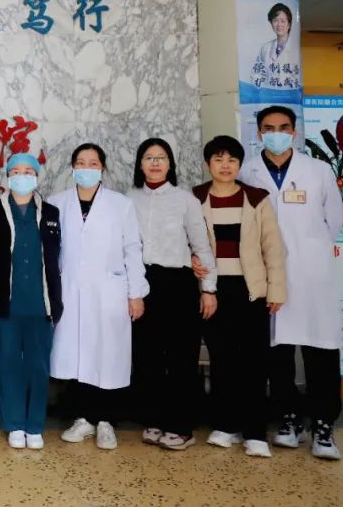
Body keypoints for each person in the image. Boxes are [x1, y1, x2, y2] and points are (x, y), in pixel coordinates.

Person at [239, 106, 343, 460]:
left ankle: (324, 425)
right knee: (277, 352)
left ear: (294, 132)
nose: (276, 134)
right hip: (270, 274)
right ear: (259, 133)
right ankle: (288, 419)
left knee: (321, 351)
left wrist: (308, 249)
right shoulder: (248, 172)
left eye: (283, 127)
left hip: (313, 274)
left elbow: (334, 221)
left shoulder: (318, 171)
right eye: (269, 128)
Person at [191, 135, 286, 458]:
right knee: (222, 360)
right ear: (208, 164)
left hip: (250, 290)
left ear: (240, 164)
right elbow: (185, 240)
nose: (225, 165)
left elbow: (273, 248)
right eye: (218, 159)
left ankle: (255, 432)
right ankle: (226, 425)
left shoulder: (256, 199)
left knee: (254, 362)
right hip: (212, 291)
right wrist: (191, 258)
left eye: (231, 160)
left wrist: (276, 290)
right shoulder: (196, 198)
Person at [49, 143, 147, 451]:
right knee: (78, 355)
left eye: (93, 163)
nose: (87, 168)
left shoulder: (121, 204)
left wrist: (136, 293)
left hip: (109, 292)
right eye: (81, 162)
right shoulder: (57, 203)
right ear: (72, 167)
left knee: (107, 355)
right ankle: (83, 419)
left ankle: (106, 421)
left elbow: (132, 249)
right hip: (71, 291)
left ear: (102, 167)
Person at [127, 138, 217, 451]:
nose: (155, 163)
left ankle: (181, 426)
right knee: (147, 356)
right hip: (142, 282)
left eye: (161, 157)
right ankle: (153, 418)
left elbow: (201, 246)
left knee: (180, 356)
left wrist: (209, 289)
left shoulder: (185, 200)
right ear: (140, 164)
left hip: (177, 283)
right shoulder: (129, 199)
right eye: (149, 157)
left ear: (170, 164)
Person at [0, 153, 62, 450]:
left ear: (37, 176)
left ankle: (35, 426)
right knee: (7, 364)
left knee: (38, 366)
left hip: (41, 303)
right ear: (7, 176)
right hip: (5, 302)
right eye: (16, 171)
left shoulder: (51, 213)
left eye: (28, 171)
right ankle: (15, 424)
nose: (22, 176)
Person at [250, 3, 301, 91]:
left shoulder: (297, 49)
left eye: (282, 21)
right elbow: (256, 73)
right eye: (275, 20)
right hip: (268, 96)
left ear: (289, 24)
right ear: (271, 23)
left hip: (289, 96)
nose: (279, 24)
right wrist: (260, 88)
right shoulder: (265, 48)